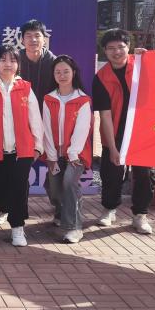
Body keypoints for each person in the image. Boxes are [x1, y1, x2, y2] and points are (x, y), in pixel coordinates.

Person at [0, 44, 44, 247]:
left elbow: (35, 118)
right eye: (3, 60)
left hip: (22, 150)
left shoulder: (26, 88)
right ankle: (4, 208)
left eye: (13, 60)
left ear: (18, 64)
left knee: (19, 187)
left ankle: (18, 228)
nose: (8, 64)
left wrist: (38, 146)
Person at [92, 29, 155, 234]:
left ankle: (140, 215)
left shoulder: (141, 66)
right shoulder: (101, 77)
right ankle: (109, 209)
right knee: (112, 171)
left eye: (121, 46)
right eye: (111, 48)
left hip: (142, 130)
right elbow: (105, 115)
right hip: (115, 130)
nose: (116, 51)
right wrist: (112, 148)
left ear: (128, 47)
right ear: (105, 51)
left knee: (145, 174)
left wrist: (149, 59)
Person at [42, 55, 92, 244]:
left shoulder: (83, 100)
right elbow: (46, 128)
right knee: (54, 188)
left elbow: (82, 129)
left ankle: (74, 227)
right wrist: (52, 155)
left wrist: (73, 153)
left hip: (77, 154)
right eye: (58, 72)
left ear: (74, 73)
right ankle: (61, 210)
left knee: (70, 182)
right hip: (55, 153)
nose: (62, 75)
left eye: (66, 71)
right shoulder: (48, 99)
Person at [17, 19, 60, 224]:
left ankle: (59, 206)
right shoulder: (14, 60)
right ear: (22, 39)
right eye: (28, 36)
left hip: (49, 123)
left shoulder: (55, 63)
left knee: (54, 163)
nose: (33, 40)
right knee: (13, 165)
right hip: (19, 123)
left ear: (44, 39)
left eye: (37, 36)